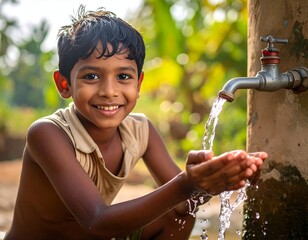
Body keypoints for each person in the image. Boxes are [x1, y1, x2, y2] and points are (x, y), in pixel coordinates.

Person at [4, 5, 267, 240]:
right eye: (92, 76)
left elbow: (183, 203)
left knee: (179, 217)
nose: (109, 91)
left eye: (123, 77)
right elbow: (97, 220)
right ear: (64, 84)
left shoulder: (141, 130)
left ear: (139, 84)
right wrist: (186, 184)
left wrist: (218, 177)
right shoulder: (48, 134)